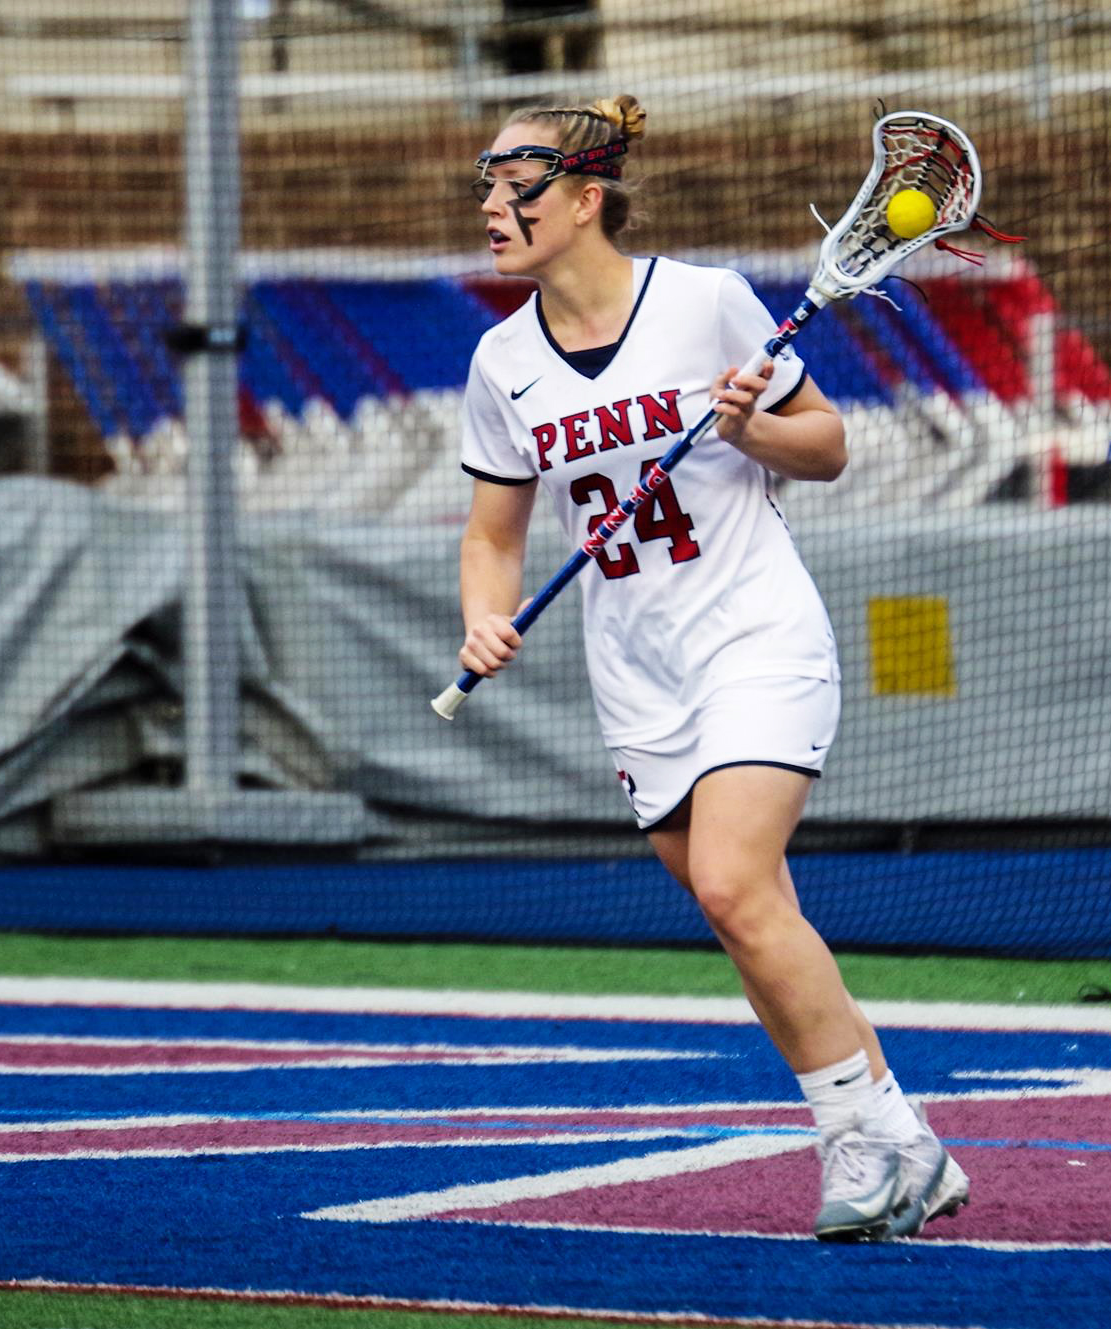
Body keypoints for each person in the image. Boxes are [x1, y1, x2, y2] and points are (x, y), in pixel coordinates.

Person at [455, 94, 968, 1241]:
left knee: (737, 885)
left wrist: (746, 430)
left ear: (586, 197)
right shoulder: (500, 362)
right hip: (635, 676)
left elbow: (826, 446)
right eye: (484, 188)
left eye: (515, 188)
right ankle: (904, 1146)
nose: (491, 208)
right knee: (749, 919)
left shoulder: (704, 302)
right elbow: (491, 536)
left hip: (754, 636)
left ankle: (852, 1147)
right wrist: (483, 619)